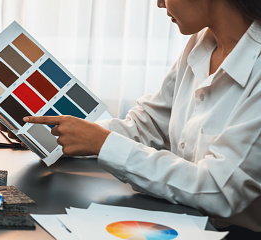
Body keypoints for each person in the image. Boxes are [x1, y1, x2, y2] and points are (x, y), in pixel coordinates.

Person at [21, 0, 261, 234]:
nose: (158, 3)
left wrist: (103, 143)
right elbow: (149, 124)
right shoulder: (201, 42)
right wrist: (64, 134)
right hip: (183, 218)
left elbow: (219, 190)